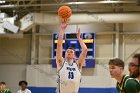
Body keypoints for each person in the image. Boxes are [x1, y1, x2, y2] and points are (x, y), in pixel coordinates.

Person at [56, 21, 88, 93]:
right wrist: (62, 29)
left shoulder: (78, 65)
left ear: (74, 56)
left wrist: (79, 38)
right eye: (67, 51)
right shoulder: (61, 63)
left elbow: (85, 50)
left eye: (71, 52)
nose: (69, 53)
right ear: (65, 54)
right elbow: (59, 45)